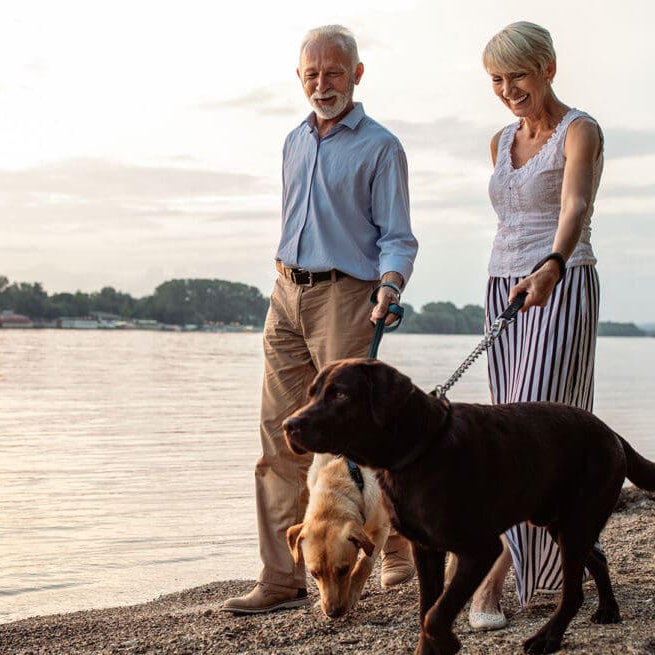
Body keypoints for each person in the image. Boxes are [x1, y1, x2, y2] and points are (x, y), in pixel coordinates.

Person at [221, 24, 420, 615]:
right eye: (311, 74)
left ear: (357, 75)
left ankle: (396, 545)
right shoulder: (293, 142)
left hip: (346, 296)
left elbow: (398, 237)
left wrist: (389, 286)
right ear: (300, 78)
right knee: (279, 439)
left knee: (362, 441)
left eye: (333, 72)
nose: (322, 84)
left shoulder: (381, 147)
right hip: (285, 292)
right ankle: (282, 579)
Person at [467, 21, 606, 631]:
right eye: (497, 80)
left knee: (535, 427)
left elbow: (575, 205)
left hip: (562, 280)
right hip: (503, 286)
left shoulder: (581, 130)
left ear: (548, 66)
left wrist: (552, 263)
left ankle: (488, 579)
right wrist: (515, 277)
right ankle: (557, 571)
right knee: (506, 433)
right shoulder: (500, 140)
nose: (507, 89)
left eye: (517, 75)